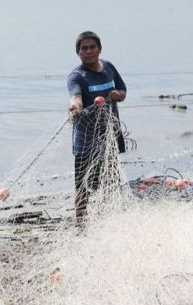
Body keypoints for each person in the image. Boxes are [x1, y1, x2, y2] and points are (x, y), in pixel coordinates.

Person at [66, 31, 127, 226]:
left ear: (99, 49)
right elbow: (75, 97)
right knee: (83, 186)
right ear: (78, 53)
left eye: (92, 47)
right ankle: (81, 226)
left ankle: (106, 219)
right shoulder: (77, 76)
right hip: (86, 140)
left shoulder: (109, 68)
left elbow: (123, 91)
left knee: (109, 179)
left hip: (109, 134)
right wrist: (75, 107)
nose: (89, 51)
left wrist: (117, 94)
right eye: (84, 48)